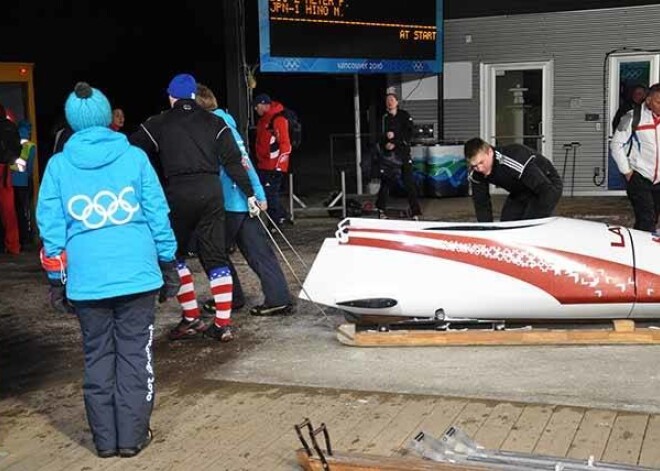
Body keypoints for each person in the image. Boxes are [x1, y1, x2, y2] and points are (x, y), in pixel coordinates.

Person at [36, 82, 179, 458]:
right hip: (137, 276)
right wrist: (168, 261)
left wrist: (57, 278)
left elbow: (51, 228)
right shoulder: (134, 158)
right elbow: (157, 214)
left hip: (87, 280)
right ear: (105, 117)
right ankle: (132, 438)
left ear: (73, 121)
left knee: (97, 355)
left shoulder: (59, 166)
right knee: (135, 355)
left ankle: (104, 441)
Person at [130, 73, 258, 342]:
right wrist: (251, 193)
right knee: (215, 256)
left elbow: (134, 149)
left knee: (174, 254)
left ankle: (191, 317)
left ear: (171, 96)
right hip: (212, 193)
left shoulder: (159, 122)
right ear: (193, 96)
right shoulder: (216, 122)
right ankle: (223, 324)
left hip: (177, 193)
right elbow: (234, 162)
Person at [196, 84, 293, 316]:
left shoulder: (210, 127)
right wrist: (258, 194)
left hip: (227, 201)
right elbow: (245, 160)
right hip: (244, 199)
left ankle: (230, 297)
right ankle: (278, 297)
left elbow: (237, 163)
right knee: (258, 250)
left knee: (212, 250)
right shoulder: (228, 123)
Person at [465, 138, 563, 222]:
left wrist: (540, 217)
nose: (480, 169)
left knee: (529, 224)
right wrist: (487, 232)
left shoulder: (511, 159)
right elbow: (481, 204)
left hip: (547, 184)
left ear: (490, 152)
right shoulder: (476, 173)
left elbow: (547, 191)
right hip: (520, 190)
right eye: (475, 166)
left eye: (481, 162)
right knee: (506, 225)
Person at [611, 83, 660, 232]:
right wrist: (627, 172)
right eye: (659, 102)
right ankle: (643, 252)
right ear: (649, 100)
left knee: (653, 217)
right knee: (647, 218)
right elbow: (616, 145)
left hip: (658, 180)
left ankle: (639, 244)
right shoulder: (632, 117)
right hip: (639, 177)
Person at [376, 90, 422, 220]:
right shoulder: (384, 118)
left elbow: (409, 133)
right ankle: (381, 209)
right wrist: (385, 142)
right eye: (387, 100)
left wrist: (396, 140)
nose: (390, 102)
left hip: (403, 154)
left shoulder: (404, 115)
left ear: (397, 102)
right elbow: (379, 136)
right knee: (386, 182)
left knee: (409, 183)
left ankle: (415, 212)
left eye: (392, 100)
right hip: (389, 157)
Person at [253, 93, 292, 226]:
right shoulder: (263, 120)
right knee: (265, 193)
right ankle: (281, 216)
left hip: (273, 166)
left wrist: (279, 166)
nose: (255, 109)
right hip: (263, 165)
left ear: (263, 105)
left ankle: (275, 224)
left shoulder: (278, 119)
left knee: (270, 195)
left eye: (256, 106)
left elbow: (285, 145)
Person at [0, 103, 23, 254]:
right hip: (5, 169)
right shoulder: (10, 126)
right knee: (9, 210)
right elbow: (18, 148)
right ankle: (13, 246)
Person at [10, 120, 37, 245]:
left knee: (13, 210)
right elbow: (30, 167)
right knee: (25, 210)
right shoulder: (31, 146)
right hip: (24, 181)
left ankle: (16, 239)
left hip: (10, 180)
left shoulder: (13, 143)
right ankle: (26, 237)